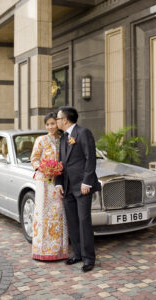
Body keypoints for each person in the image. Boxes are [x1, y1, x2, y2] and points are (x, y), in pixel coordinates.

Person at [55, 106, 101, 272]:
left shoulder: (83, 133)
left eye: (58, 119)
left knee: (84, 222)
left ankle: (89, 259)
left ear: (65, 120)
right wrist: (58, 183)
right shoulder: (63, 138)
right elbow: (60, 163)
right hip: (67, 188)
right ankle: (78, 254)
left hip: (82, 188)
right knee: (72, 222)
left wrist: (87, 182)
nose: (57, 121)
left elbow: (90, 159)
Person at [31, 112, 68, 261]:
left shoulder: (63, 139)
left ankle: (58, 250)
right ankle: (42, 250)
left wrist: (57, 170)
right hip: (43, 181)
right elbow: (34, 159)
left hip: (58, 181)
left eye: (53, 123)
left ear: (57, 123)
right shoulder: (41, 140)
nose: (50, 126)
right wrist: (42, 168)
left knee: (58, 213)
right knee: (43, 213)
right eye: (48, 124)